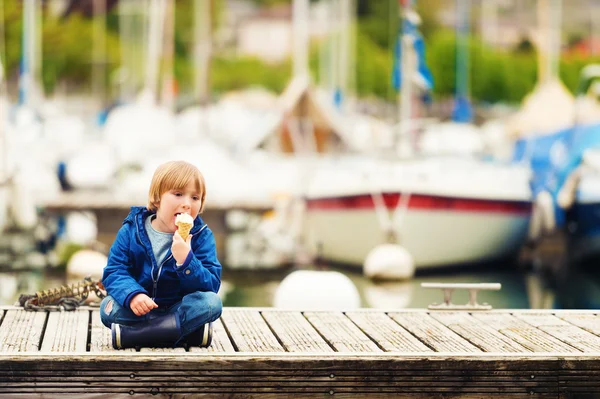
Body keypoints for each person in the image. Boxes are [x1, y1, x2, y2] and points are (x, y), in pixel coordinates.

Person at [100, 160, 222, 349]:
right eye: (178, 194)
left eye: (195, 198)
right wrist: (133, 295)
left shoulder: (201, 235)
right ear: (157, 198)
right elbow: (115, 271)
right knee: (108, 308)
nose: (187, 204)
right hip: (141, 309)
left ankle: (135, 335)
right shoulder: (132, 231)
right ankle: (188, 334)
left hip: (179, 308)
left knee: (211, 303)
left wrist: (186, 261)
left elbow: (211, 284)